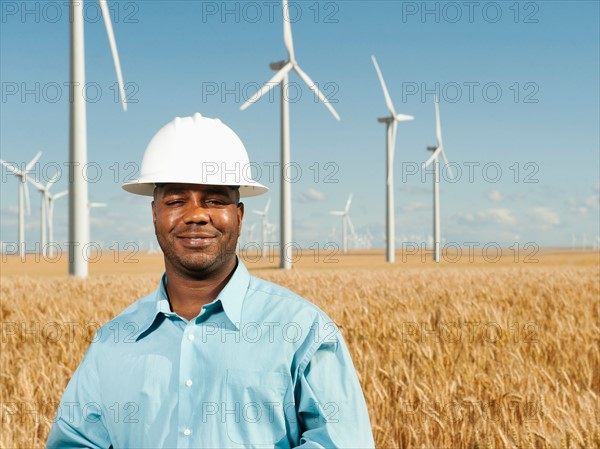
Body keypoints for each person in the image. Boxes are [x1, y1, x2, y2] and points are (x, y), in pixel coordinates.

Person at [47, 113, 375, 448]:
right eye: (176, 201)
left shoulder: (303, 330)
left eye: (215, 200)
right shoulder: (113, 342)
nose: (196, 215)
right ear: (155, 214)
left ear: (240, 215)